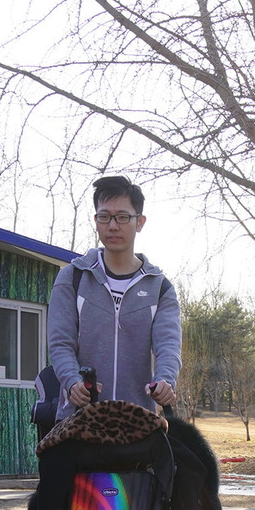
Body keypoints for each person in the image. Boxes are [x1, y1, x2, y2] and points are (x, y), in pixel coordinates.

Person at [48, 176, 180, 415]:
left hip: (138, 425)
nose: (112, 225)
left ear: (139, 222)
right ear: (96, 220)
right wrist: (72, 381)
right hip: (79, 422)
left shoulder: (160, 288)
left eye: (122, 217)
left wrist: (165, 380)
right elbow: (60, 343)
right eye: (104, 216)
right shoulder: (72, 278)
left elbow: (168, 346)